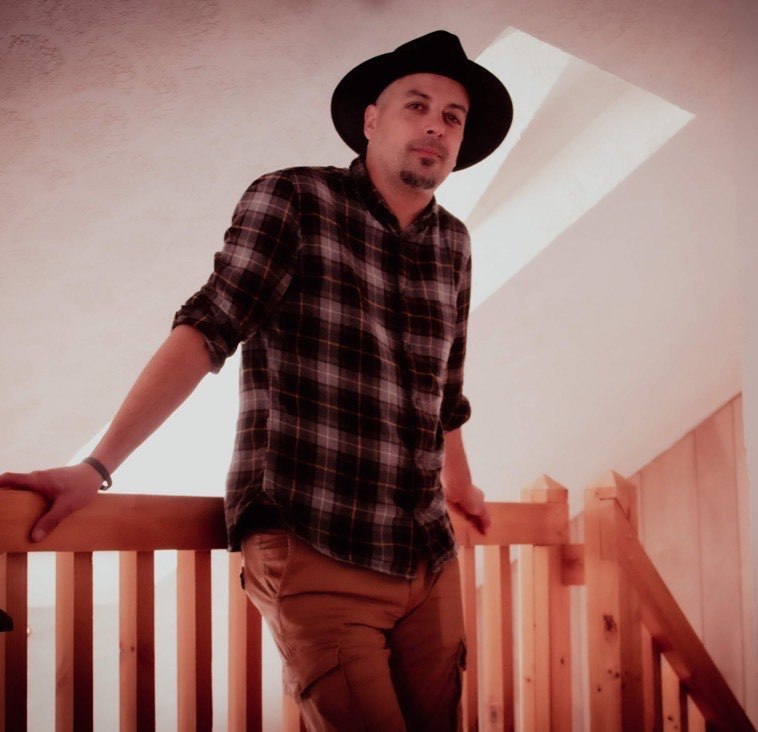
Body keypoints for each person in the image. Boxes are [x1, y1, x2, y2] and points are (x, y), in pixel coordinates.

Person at [1, 30, 512, 731]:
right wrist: (96, 465)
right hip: (315, 538)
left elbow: (444, 389)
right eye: (416, 106)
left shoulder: (454, 242)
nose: (436, 126)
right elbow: (208, 327)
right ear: (371, 120)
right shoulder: (295, 198)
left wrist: (460, 483)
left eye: (452, 117)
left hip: (428, 555)